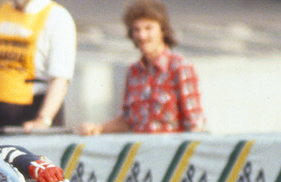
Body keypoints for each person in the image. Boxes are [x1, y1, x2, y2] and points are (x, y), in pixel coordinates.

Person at [78, 0, 205, 135]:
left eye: (148, 28)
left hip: (170, 153)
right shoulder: (133, 71)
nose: (142, 36)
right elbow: (127, 120)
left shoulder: (180, 68)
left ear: (162, 30)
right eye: (136, 30)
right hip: (141, 152)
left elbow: (195, 122)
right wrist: (98, 128)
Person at [0, 0, 76, 137]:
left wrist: (43, 120)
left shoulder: (58, 17)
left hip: (36, 113)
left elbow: (60, 78)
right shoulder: (2, 11)